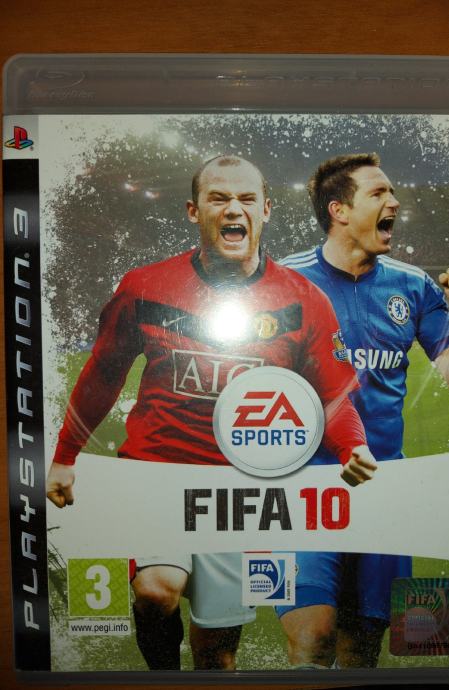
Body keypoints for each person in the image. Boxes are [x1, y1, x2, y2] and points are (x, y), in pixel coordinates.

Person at [46, 154, 376, 671]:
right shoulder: (144, 286)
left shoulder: (303, 300)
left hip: (243, 493)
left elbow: (333, 397)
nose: (233, 209)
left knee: (217, 655)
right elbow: (103, 376)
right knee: (156, 591)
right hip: (157, 475)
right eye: (218, 198)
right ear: (193, 211)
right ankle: (163, 679)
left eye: (246, 199)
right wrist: (66, 455)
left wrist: (352, 445)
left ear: (265, 210)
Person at [277, 152, 449, 668]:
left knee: (362, 646)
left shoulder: (412, 285)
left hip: (384, 489)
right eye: (378, 193)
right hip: (303, 488)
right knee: (313, 634)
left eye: (392, 192)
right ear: (339, 210)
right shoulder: (283, 282)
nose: (394, 202)